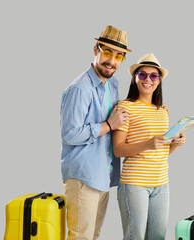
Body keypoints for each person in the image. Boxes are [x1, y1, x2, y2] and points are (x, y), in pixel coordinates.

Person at [60, 25, 131, 240]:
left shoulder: (112, 85)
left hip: (103, 175)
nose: (112, 61)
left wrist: (155, 107)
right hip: (83, 178)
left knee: (93, 235)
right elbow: (70, 134)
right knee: (81, 237)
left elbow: (121, 117)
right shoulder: (80, 89)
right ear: (96, 49)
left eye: (119, 56)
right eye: (107, 52)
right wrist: (108, 125)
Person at [113, 53, 186, 240]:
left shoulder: (162, 110)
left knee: (158, 237)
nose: (148, 79)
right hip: (135, 184)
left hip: (161, 184)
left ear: (159, 80)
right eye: (142, 74)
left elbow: (160, 152)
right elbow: (118, 149)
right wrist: (147, 143)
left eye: (153, 76)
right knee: (135, 236)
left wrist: (175, 144)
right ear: (135, 77)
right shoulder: (125, 107)